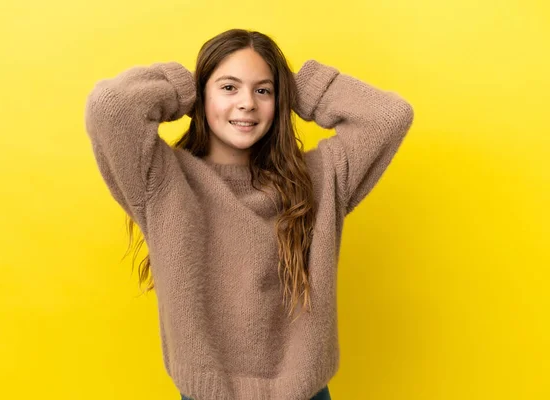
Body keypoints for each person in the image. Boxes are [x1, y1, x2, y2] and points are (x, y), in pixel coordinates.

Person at [84, 28, 414, 400]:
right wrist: (183, 87)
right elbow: (109, 108)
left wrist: (299, 86)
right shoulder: (163, 181)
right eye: (228, 88)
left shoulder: (320, 180)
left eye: (263, 90)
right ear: (201, 96)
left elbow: (389, 116)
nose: (247, 103)